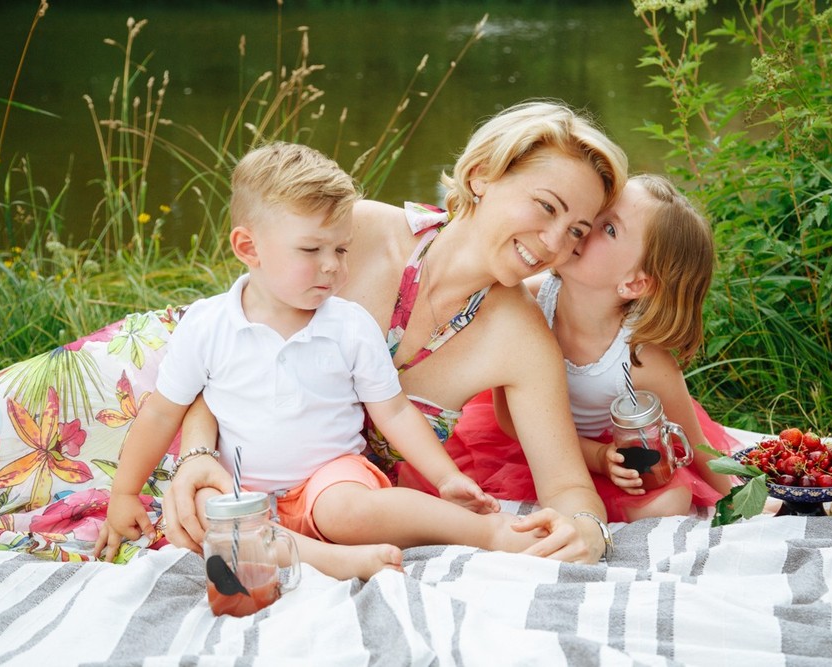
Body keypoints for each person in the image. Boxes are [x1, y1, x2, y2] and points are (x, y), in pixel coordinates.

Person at [161, 99, 630, 564]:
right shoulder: (354, 235)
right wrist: (197, 453)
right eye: (547, 207)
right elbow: (227, 347)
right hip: (201, 422)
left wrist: (589, 532)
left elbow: (567, 484)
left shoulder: (523, 340)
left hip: (344, 505)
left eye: (576, 231)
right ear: (481, 175)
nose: (554, 242)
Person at [93, 142, 544, 578]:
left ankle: (487, 531)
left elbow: (393, 410)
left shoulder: (349, 324)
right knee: (207, 515)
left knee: (349, 510)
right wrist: (125, 492)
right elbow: (160, 413)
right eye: (312, 250)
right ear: (249, 248)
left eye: (340, 249)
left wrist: (446, 477)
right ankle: (331, 562)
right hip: (240, 487)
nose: (332, 266)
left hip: (330, 478)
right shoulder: (209, 325)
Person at [405, 175, 737, 522]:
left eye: (609, 229)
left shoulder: (642, 359)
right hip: (529, 439)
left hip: (605, 446)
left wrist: (742, 501)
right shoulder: (528, 300)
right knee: (433, 477)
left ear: (634, 282)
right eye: (596, 213)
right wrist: (594, 456)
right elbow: (507, 421)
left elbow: (698, 445)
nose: (587, 225)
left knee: (671, 501)